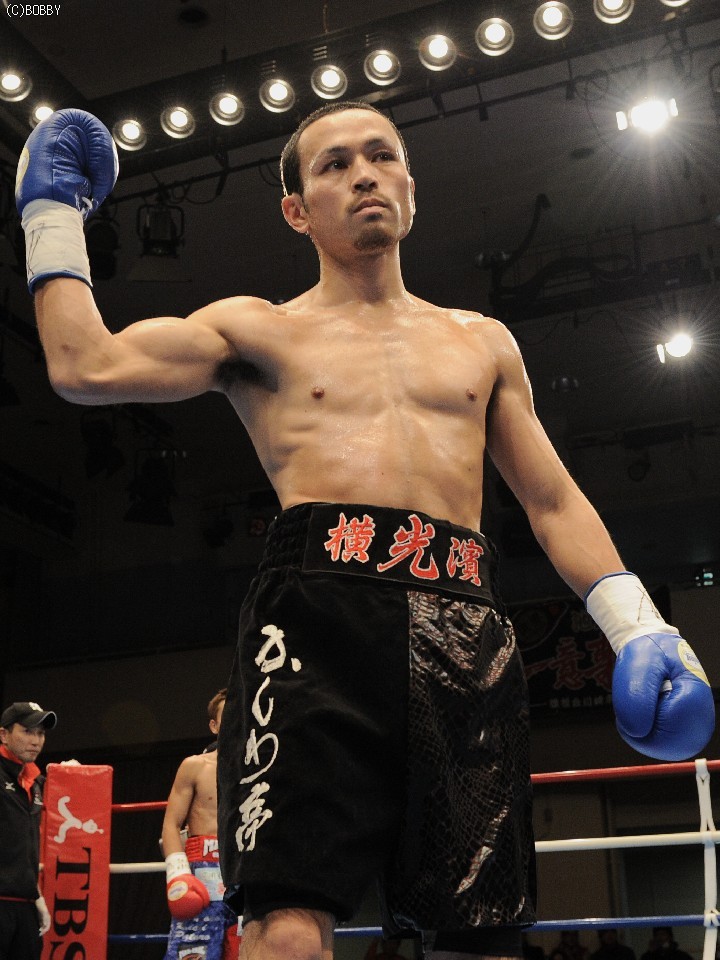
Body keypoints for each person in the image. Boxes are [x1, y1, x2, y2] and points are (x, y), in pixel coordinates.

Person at [14, 101, 715, 960]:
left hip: (464, 624)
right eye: (334, 164)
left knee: (481, 936)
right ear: (297, 210)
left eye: (381, 156)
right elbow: (85, 366)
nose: (363, 175)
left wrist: (638, 626)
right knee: (286, 925)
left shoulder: (483, 342)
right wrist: (50, 217)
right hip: (316, 626)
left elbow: (553, 502)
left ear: (412, 188)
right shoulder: (257, 329)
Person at [161, 688, 241, 960]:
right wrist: (178, 874)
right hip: (202, 876)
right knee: (193, 953)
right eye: (227, 716)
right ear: (214, 726)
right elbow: (171, 824)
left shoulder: (262, 771)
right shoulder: (195, 767)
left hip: (244, 874)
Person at [0, 700, 57, 960]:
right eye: (27, 731)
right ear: (4, 734)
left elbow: (22, 848)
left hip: (24, 904)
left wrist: (37, 897)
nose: (36, 741)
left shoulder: (35, 782)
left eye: (40, 733)